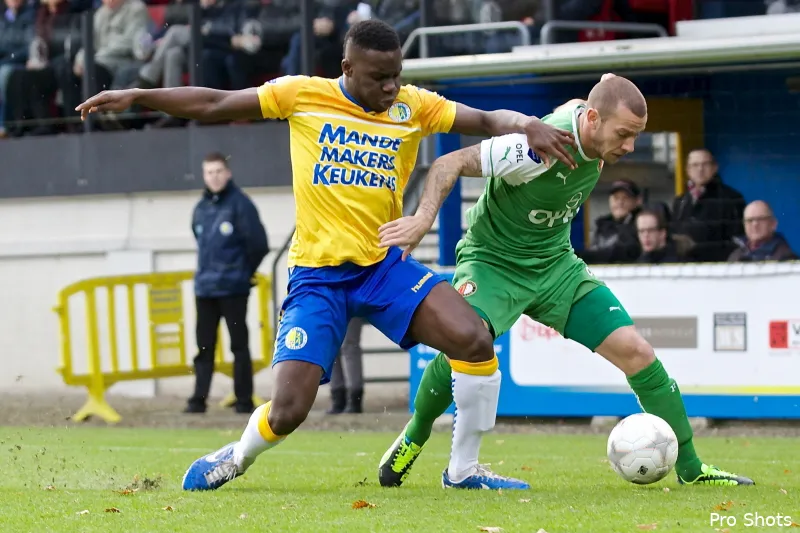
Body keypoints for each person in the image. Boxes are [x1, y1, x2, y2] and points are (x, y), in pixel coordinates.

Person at [76, 19, 578, 492]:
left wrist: (527, 124)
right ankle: (237, 456)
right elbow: (214, 102)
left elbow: (486, 118)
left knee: (473, 339)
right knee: (288, 410)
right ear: (347, 70)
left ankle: (463, 470)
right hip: (318, 277)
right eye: (380, 78)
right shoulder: (303, 94)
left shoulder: (412, 105)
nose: (391, 88)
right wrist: (140, 96)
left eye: (397, 76)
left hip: (383, 269)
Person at [376, 75, 755, 490]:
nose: (629, 147)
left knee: (637, 351)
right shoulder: (534, 150)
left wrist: (609, 82)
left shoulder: (592, 121)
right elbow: (448, 163)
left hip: (556, 265)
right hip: (493, 264)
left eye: (636, 136)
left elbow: (596, 91)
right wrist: (422, 219)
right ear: (592, 119)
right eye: (624, 134)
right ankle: (416, 434)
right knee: (467, 346)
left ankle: (692, 469)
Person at [186, 152, 269, 415]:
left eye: (219, 171)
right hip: (206, 289)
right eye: (210, 172)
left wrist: (243, 272)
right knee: (204, 346)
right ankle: (198, 399)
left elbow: (258, 244)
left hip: (233, 288)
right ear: (204, 175)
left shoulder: (241, 204)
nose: (215, 176)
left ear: (228, 173)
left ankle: (243, 399)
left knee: (239, 345)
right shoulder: (201, 207)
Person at [326, 318, 365, 414]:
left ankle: (354, 398)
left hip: (351, 305)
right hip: (328, 306)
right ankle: (338, 398)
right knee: (332, 346)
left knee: (349, 345)